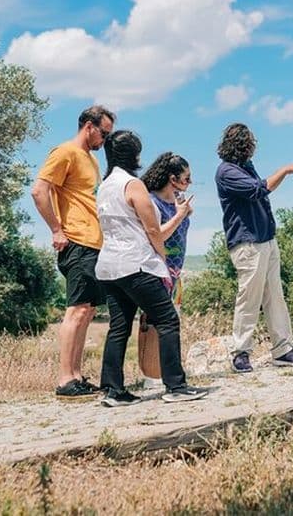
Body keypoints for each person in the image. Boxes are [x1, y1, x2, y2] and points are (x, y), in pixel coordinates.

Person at [95, 130, 207, 406]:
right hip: (137, 264)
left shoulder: (105, 186)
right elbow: (154, 232)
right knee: (168, 319)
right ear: (133, 155)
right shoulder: (133, 185)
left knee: (119, 327)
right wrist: (161, 262)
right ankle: (175, 386)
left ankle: (112, 390)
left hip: (109, 266)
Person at [31, 105, 115, 400]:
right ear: (89, 127)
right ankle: (65, 379)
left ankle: (76, 376)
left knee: (88, 310)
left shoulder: (90, 160)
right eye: (104, 132)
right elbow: (39, 190)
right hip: (77, 242)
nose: (106, 139)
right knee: (77, 309)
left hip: (95, 243)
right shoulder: (64, 152)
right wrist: (56, 229)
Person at [215, 123, 293, 373]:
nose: (252, 148)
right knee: (249, 298)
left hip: (266, 239)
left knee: (274, 296)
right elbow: (258, 190)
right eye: (249, 144)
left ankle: (283, 349)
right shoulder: (227, 172)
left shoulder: (245, 167)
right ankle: (241, 353)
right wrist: (284, 171)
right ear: (242, 146)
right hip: (248, 243)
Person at [138, 152, 195, 387]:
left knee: (171, 323)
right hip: (157, 270)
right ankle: (151, 375)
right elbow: (157, 236)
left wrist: (183, 214)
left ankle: (164, 371)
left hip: (175, 272)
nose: (188, 183)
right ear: (172, 179)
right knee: (154, 323)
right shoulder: (152, 202)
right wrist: (180, 216)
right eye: (186, 178)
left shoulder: (176, 203)